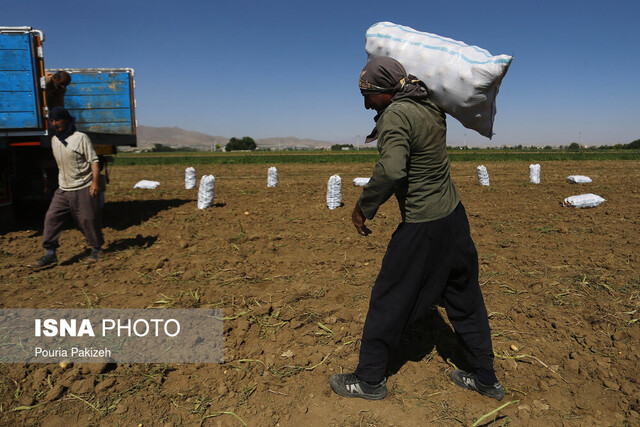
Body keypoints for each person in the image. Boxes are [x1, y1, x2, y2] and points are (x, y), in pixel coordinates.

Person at [329, 57, 504, 401]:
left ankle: (368, 380)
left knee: (388, 299)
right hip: (455, 218)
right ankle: (486, 378)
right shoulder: (430, 106)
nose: (366, 104)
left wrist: (363, 207)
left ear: (384, 91)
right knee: (465, 299)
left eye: (368, 95)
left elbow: (392, 170)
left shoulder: (396, 115)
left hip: (423, 227)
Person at [34, 107, 103, 267]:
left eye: (58, 120)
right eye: (52, 121)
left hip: (83, 186)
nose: (54, 124)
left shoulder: (81, 138)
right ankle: (50, 253)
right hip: (63, 189)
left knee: (88, 220)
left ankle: (96, 248)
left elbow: (94, 161)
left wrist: (95, 183)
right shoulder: (54, 139)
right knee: (51, 218)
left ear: (67, 120)